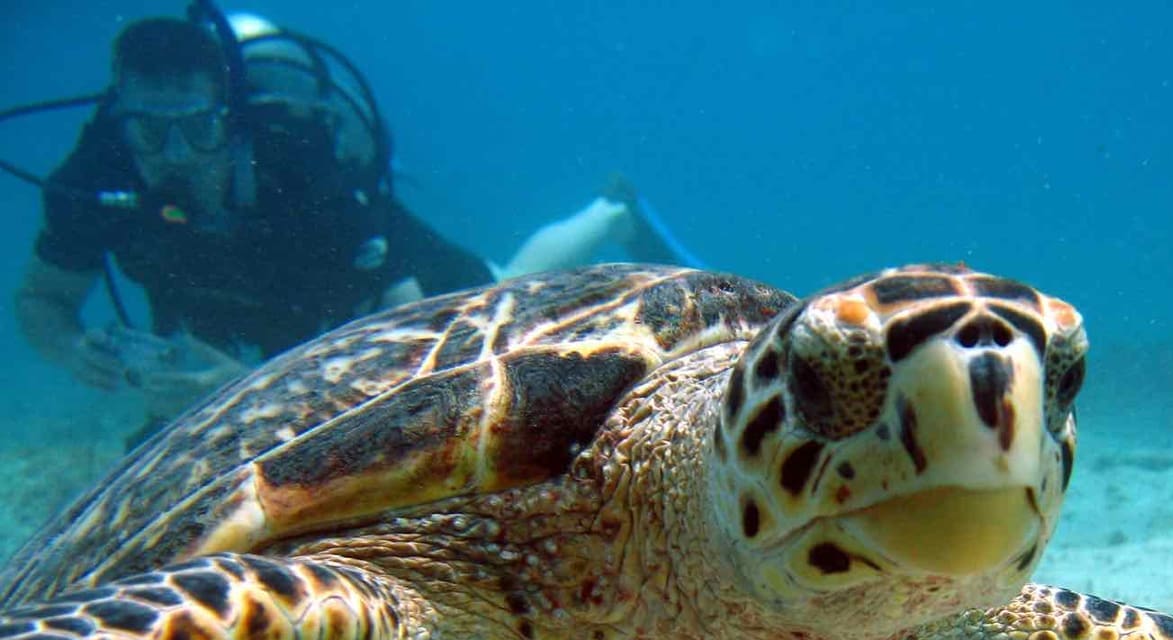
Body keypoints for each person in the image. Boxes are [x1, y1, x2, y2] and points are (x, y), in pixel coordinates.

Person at [13, 15, 693, 430]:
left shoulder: (300, 168)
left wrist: (250, 395)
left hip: (365, 286)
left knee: (503, 286)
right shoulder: (91, 179)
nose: (174, 155)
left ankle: (611, 211)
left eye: (195, 128)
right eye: (149, 131)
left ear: (228, 117)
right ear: (119, 118)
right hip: (250, 326)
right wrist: (72, 350)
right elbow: (42, 299)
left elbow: (412, 341)